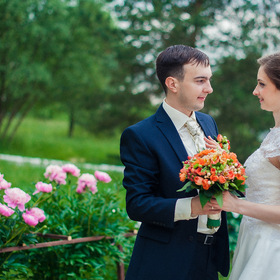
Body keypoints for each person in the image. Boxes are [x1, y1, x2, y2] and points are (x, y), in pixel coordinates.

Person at [120, 45, 230, 280]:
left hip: (209, 257)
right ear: (172, 84)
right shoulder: (140, 135)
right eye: (200, 81)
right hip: (164, 261)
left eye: (209, 80)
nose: (209, 89)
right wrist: (192, 207)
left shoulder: (209, 123)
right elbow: (137, 204)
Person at [209, 52, 280, 280]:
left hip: (271, 248)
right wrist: (226, 162)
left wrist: (235, 205)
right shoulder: (274, 136)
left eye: (261, 84)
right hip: (254, 238)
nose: (255, 91)